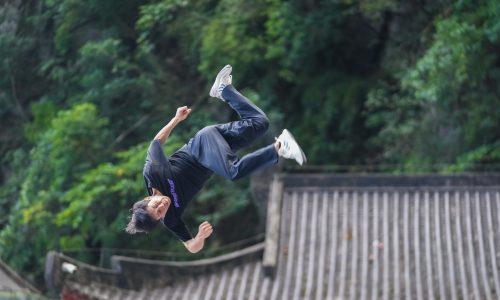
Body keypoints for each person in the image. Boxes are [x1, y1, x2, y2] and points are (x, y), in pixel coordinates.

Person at [125, 65, 306, 253]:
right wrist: (199, 237)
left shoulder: (153, 172)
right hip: (214, 155)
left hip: (202, 146)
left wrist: (176, 119)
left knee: (233, 171)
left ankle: (279, 148)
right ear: (160, 218)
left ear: (148, 198)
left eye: (156, 205)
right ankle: (224, 89)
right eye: (160, 212)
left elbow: (156, 142)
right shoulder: (170, 219)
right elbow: (191, 247)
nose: (163, 205)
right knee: (260, 123)